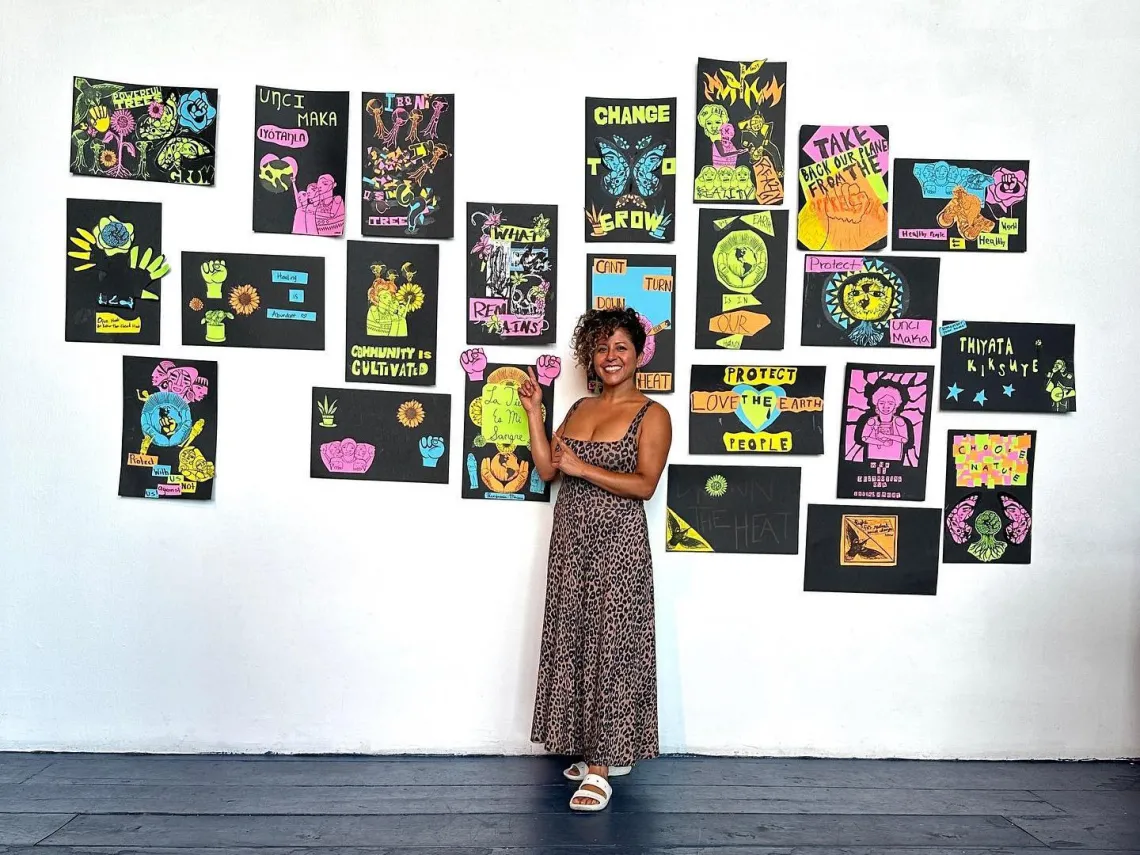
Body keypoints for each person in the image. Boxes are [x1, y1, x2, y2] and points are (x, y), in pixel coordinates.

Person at [519, 307, 672, 812]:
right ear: (591, 354)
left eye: (621, 348)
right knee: (574, 639)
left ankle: (604, 768)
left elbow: (645, 486)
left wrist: (583, 467)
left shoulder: (654, 415)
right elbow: (546, 469)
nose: (610, 357)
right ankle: (592, 749)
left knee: (612, 646)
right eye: (602, 348)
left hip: (618, 548)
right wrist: (534, 413)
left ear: (638, 355)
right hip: (571, 543)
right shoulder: (580, 408)